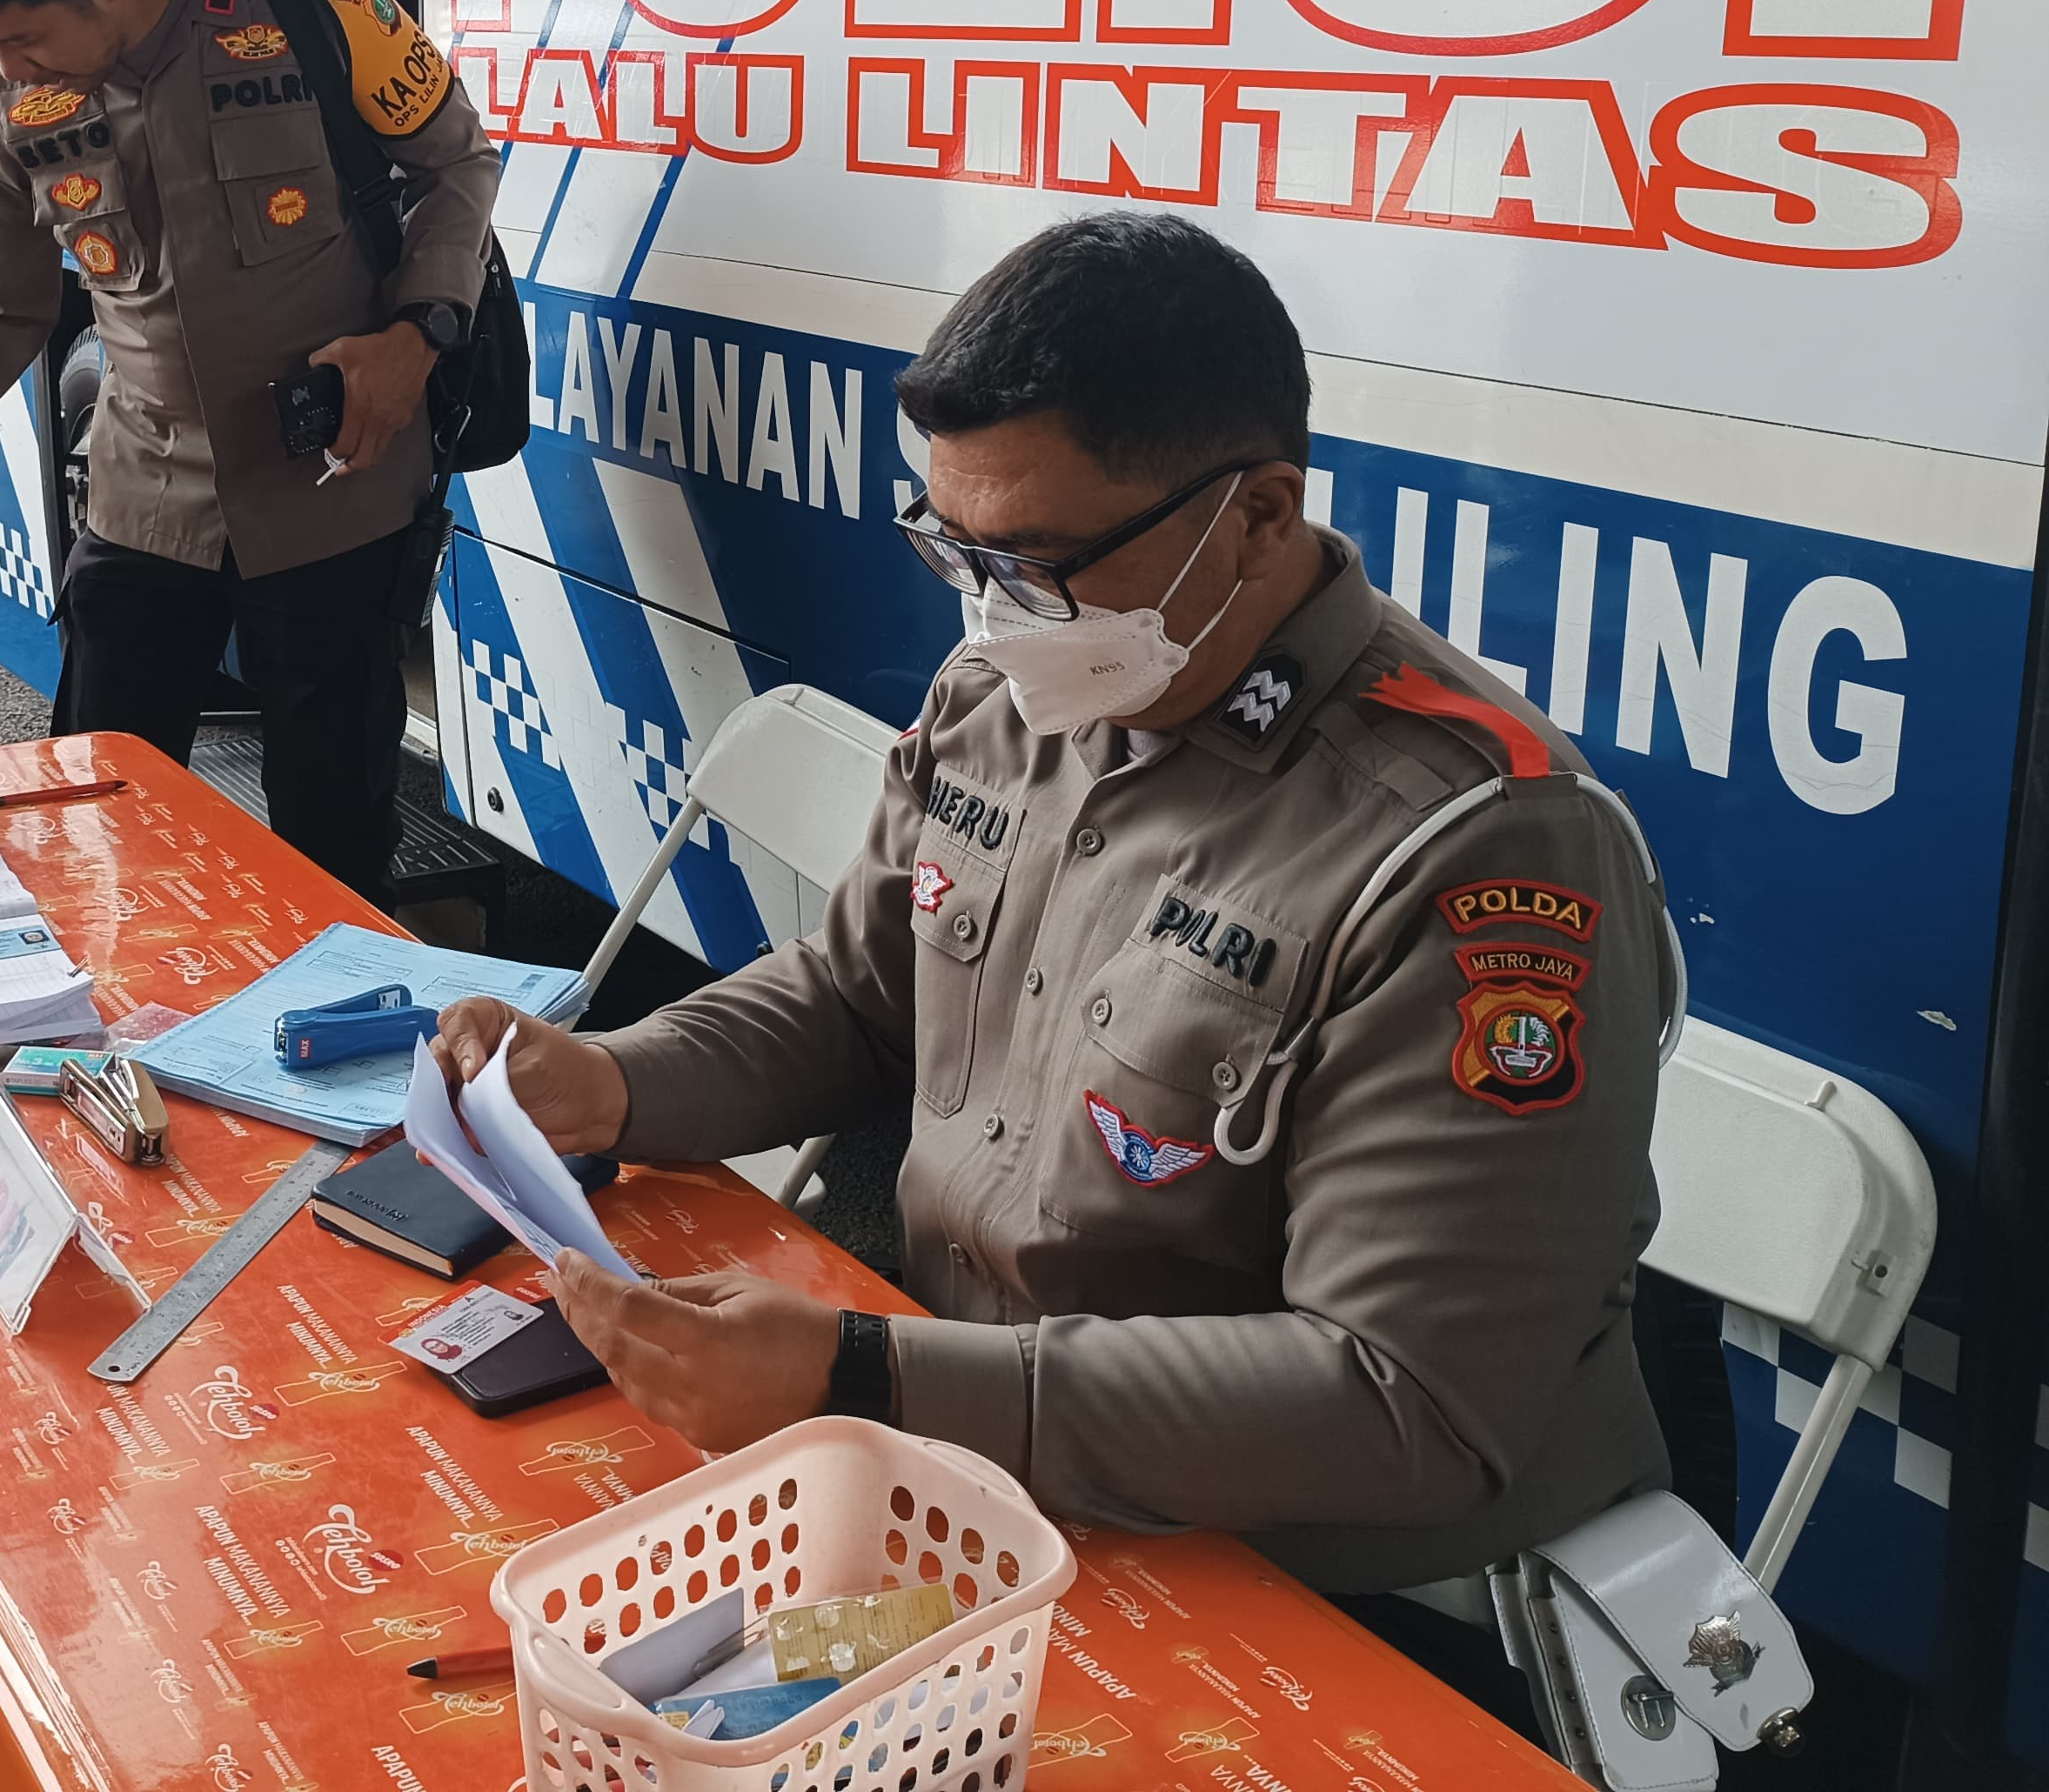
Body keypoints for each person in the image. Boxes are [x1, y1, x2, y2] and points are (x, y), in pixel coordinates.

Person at [438, 215, 1673, 1616]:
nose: (992, 622)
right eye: (952, 553)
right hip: (958, 1438)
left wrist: (864, 1378)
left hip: (1283, 1563)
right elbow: (858, 997)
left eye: (1034, 565)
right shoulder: (1022, 696)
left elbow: (1400, 1403)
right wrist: (610, 1081)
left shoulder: (1478, 848)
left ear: (1261, 516)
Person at [0, 0, 499, 901]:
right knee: (85, 806)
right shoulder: (2, 93)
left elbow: (456, 160)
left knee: (331, 834)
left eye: (28, 39)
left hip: (334, 491)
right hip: (143, 496)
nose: (14, 68)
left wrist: (416, 336)